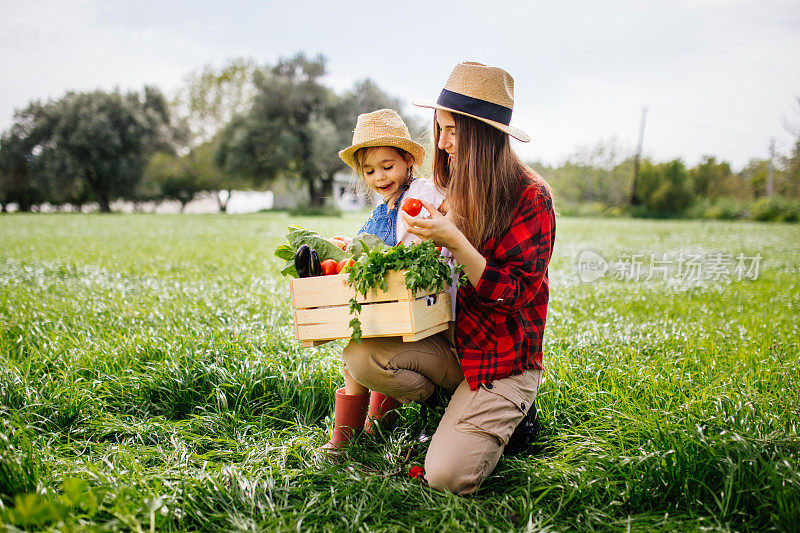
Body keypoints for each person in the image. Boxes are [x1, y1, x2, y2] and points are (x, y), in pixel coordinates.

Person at [322, 108, 450, 453]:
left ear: (408, 161)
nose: (379, 176)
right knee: (358, 340)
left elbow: (449, 209)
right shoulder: (380, 210)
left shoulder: (422, 190)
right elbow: (365, 253)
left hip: (424, 307)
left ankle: (358, 434)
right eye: (369, 170)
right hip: (391, 302)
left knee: (365, 347)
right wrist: (347, 249)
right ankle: (367, 431)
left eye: (387, 166)